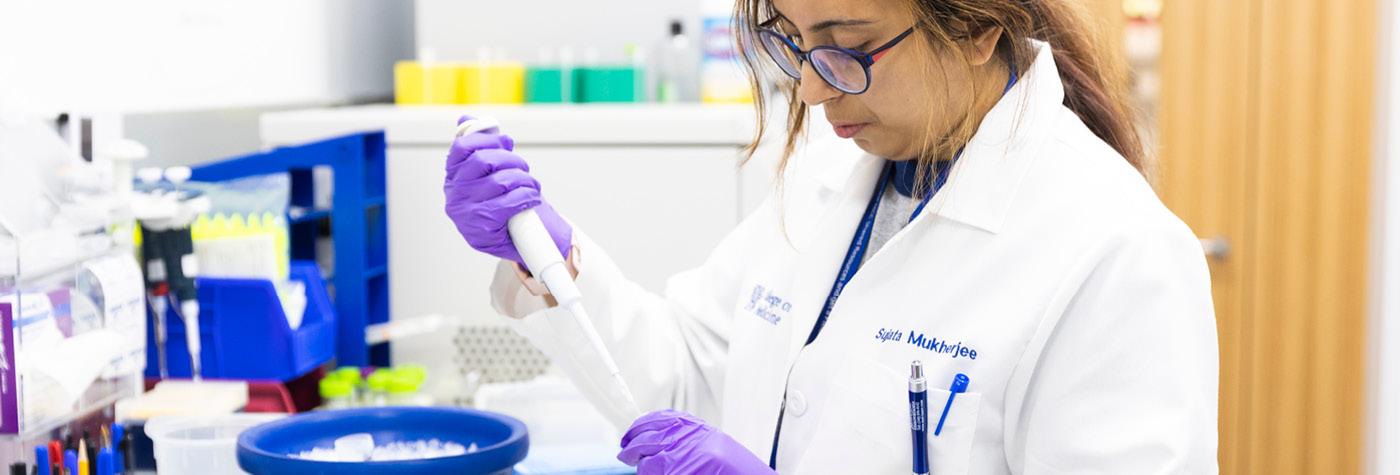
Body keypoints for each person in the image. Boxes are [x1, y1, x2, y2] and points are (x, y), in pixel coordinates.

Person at [443, 0, 1218, 472]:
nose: (812, 90)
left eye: (846, 44)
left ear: (979, 26)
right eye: (795, 40)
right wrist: (549, 259)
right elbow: (683, 386)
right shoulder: (832, 168)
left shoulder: (1116, 253)